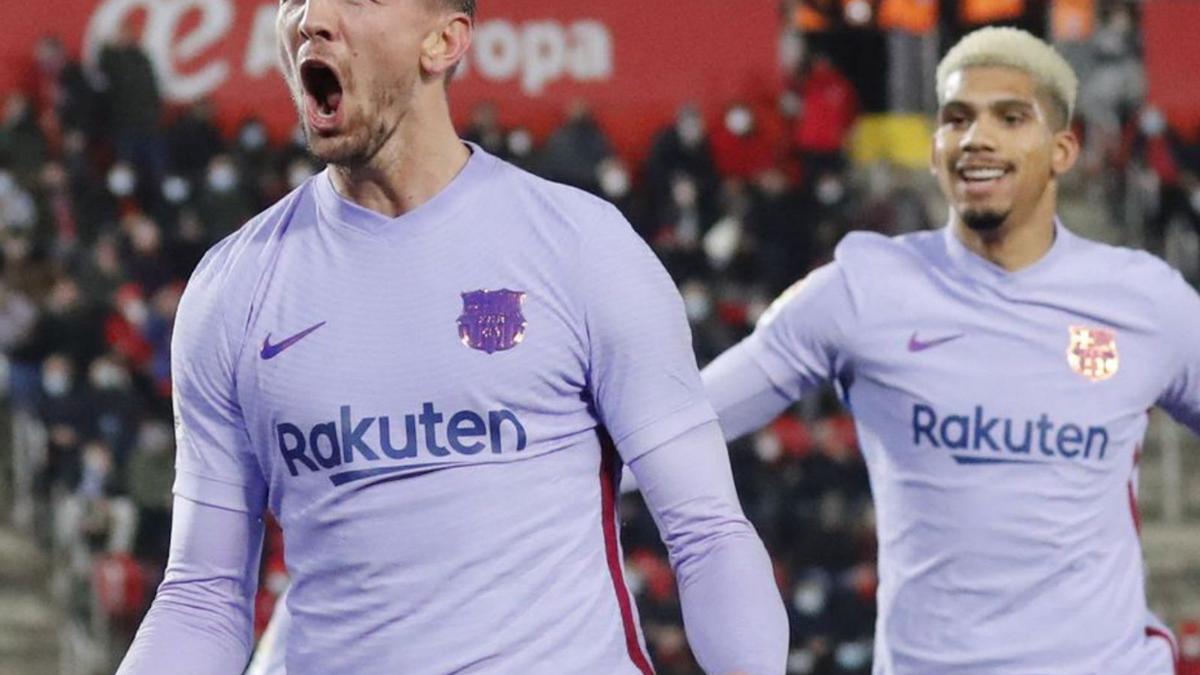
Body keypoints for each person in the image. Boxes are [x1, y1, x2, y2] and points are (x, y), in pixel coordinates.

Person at [115, 1, 787, 674]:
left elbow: (707, 534)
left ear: (442, 42)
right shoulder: (232, 290)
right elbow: (203, 596)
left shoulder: (582, 248)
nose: (312, 18)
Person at [703, 26, 1199, 674]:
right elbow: (679, 422)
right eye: (957, 118)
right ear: (936, 150)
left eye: (1010, 116)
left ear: (1063, 149)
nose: (977, 137)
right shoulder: (862, 289)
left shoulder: (1145, 300)